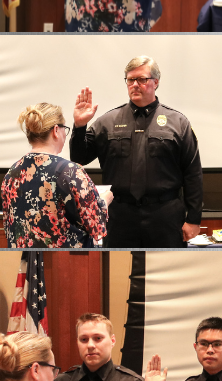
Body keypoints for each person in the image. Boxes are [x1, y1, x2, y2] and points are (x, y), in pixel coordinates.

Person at [70, 56, 204, 248]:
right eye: (130, 80)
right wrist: (80, 126)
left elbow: (193, 174)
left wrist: (193, 219)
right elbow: (79, 158)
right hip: (120, 216)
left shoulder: (178, 123)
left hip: (165, 215)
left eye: (142, 79)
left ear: (156, 82)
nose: (135, 85)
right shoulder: (107, 122)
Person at [1, 103, 110, 248]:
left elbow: (10, 226)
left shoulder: (12, 172)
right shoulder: (70, 171)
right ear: (56, 130)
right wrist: (104, 200)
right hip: (64, 263)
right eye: (65, 129)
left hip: (24, 262)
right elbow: (96, 226)